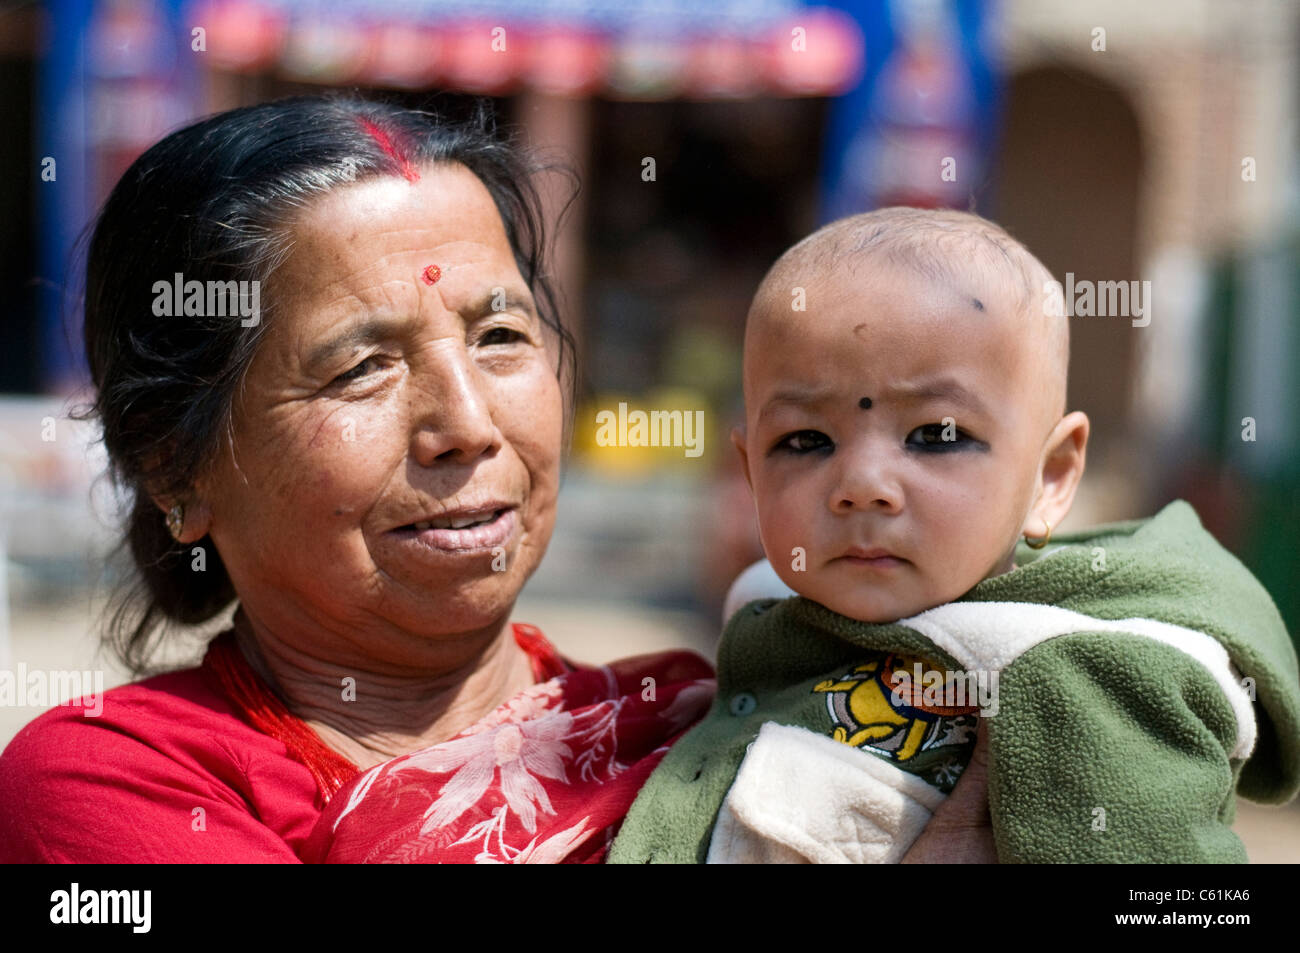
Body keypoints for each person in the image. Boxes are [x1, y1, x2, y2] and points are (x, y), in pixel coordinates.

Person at [0, 97, 992, 864]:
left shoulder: (704, 725)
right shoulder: (113, 784)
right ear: (173, 462)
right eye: (360, 366)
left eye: (502, 337)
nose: (467, 426)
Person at [607, 207, 1300, 863]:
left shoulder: (1078, 678)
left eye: (937, 435)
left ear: (1051, 476)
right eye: (806, 438)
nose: (863, 483)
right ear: (750, 472)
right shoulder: (760, 629)